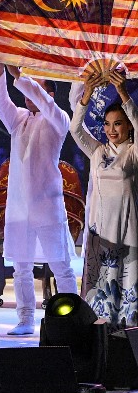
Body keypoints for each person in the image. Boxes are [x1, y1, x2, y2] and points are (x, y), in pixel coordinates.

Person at [0, 64, 76, 335]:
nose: (27, 93)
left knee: (61, 266)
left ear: (48, 93)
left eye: (35, 86)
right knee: (21, 267)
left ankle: (73, 319)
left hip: (47, 205)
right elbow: (0, 103)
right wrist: (0, 71)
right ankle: (26, 319)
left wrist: (20, 76)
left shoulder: (58, 118)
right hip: (19, 206)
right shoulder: (20, 119)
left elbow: (45, 103)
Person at [71, 68, 138, 329]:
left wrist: (122, 92)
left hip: (126, 232)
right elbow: (75, 129)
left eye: (118, 123)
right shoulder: (97, 152)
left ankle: (128, 339)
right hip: (100, 233)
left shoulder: (133, 153)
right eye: (108, 124)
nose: (111, 129)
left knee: (126, 288)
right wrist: (87, 93)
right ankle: (101, 338)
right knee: (100, 294)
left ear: (128, 125)